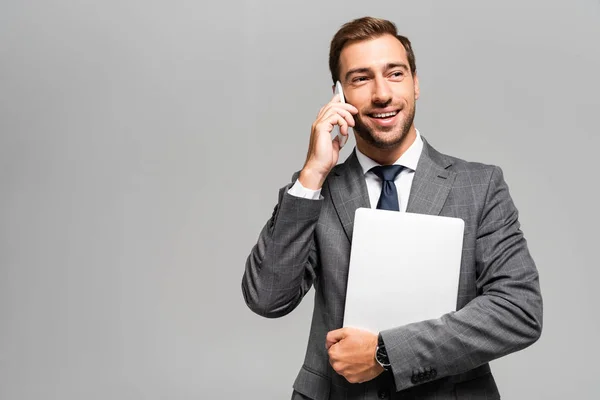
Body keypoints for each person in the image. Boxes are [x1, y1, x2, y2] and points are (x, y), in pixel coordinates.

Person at [241, 16, 543, 400]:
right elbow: (268, 298)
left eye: (395, 73)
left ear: (416, 84)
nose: (382, 93)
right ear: (339, 95)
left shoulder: (479, 186)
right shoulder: (315, 191)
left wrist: (386, 353)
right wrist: (312, 173)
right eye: (361, 78)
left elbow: (519, 311)